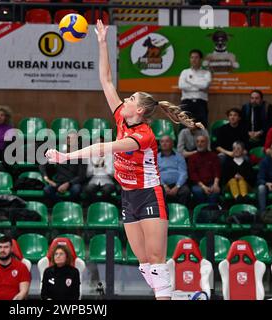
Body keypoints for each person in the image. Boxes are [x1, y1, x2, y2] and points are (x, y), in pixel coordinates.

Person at [45, 20, 204, 300]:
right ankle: (183, 297)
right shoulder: (121, 115)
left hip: (150, 195)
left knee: (156, 258)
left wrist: (66, 155)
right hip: (128, 197)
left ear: (140, 110)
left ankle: (169, 297)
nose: (124, 99)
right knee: (144, 265)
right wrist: (102, 42)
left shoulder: (143, 135)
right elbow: (105, 80)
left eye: (129, 98)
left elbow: (104, 147)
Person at [39, 132, 87, 204]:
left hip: (72, 182)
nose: (70, 140)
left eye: (73, 138)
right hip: (58, 181)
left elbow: (81, 176)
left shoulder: (81, 156)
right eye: (68, 138)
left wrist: (68, 184)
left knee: (76, 190)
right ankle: (60, 204)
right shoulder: (59, 153)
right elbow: (42, 164)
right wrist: (47, 179)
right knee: (47, 190)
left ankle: (69, 205)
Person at [0, 235, 31, 300]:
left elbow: (23, 292)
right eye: (0, 247)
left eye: (6, 247)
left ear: (11, 249)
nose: (2, 250)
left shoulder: (22, 267)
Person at [178, 49, 212, 128]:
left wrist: (189, 82)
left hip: (201, 103)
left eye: (196, 57)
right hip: (186, 103)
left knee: (202, 127)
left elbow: (204, 85)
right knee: (184, 127)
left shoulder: (206, 73)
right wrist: (198, 88)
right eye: (192, 57)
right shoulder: (185, 72)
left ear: (200, 59)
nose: (194, 60)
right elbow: (181, 86)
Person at [157, 135, 191, 206]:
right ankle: (163, 214)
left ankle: (182, 212)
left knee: (185, 191)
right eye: (162, 142)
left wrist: (177, 186)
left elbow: (183, 173)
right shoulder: (156, 157)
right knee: (158, 192)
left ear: (172, 144)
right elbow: (155, 173)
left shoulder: (179, 156)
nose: (164, 143)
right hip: (162, 184)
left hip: (178, 184)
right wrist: (164, 186)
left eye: (167, 141)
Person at [188, 135, 221, 204]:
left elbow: (217, 171)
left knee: (215, 191)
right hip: (198, 184)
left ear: (207, 143)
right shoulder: (192, 157)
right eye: (197, 142)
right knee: (198, 191)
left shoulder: (213, 156)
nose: (199, 144)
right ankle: (202, 211)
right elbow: (193, 174)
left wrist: (215, 184)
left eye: (202, 142)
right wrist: (203, 187)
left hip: (211, 183)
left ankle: (212, 211)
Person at [83, 136, 116, 203]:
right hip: (94, 179)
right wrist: (94, 166)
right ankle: (94, 206)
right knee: (88, 189)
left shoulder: (110, 156)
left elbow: (112, 174)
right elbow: (87, 175)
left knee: (107, 190)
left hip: (107, 180)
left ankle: (105, 207)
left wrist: (104, 166)